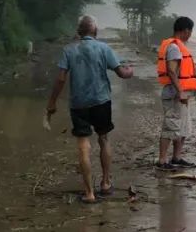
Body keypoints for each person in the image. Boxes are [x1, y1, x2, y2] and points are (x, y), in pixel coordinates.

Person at [46, 15, 133, 204]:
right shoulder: (103, 48)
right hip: (101, 101)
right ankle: (106, 183)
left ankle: (89, 193)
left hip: (78, 104)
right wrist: (130, 71)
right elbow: (121, 73)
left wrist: (52, 101)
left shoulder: (69, 50)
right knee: (104, 138)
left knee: (83, 146)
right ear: (95, 31)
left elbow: (61, 79)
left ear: (79, 32)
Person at [156, 16, 196, 169]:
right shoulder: (174, 47)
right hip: (174, 93)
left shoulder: (178, 46)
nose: (190, 35)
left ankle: (177, 157)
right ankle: (162, 161)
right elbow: (172, 71)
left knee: (183, 127)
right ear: (186, 30)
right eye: (190, 31)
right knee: (170, 126)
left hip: (182, 93)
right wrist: (180, 91)